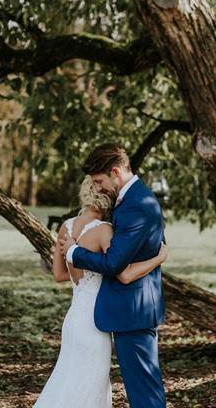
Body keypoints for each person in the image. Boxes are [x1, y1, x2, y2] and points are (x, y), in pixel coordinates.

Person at [34, 172, 167, 408]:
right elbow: (123, 272)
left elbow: (59, 275)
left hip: (74, 318)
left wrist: (82, 268)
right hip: (97, 320)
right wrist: (159, 257)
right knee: (90, 385)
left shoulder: (66, 228)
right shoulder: (104, 230)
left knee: (67, 380)